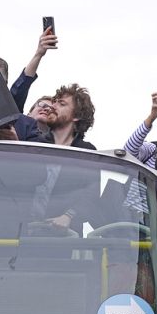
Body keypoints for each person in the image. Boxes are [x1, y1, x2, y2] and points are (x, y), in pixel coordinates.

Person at [35, 84, 98, 233]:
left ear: (76, 116)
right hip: (24, 232)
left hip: (63, 237)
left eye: (61, 103)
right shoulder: (36, 144)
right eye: (55, 101)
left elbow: (92, 192)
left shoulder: (87, 152)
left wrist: (68, 216)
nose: (53, 106)